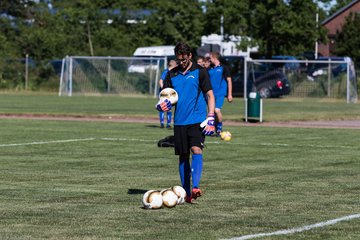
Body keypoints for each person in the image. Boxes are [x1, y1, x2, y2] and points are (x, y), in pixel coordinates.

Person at [156, 42, 216, 203]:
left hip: (196, 120)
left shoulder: (200, 72)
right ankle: (187, 193)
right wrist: (161, 106)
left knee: (196, 150)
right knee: (183, 156)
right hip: (180, 122)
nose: (180, 63)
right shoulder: (172, 74)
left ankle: (195, 186)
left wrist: (210, 117)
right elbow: (165, 97)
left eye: (183, 60)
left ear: (190, 56)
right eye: (178, 60)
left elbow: (210, 95)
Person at [208, 52, 233, 135]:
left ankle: (219, 127)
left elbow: (229, 81)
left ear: (214, 57)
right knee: (212, 112)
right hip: (211, 94)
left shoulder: (224, 68)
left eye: (210, 57)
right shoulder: (210, 68)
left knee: (216, 110)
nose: (209, 59)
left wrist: (229, 94)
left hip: (220, 93)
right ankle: (214, 129)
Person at [158, 60, 177, 128]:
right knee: (163, 108)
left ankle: (168, 124)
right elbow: (160, 81)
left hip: (169, 93)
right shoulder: (166, 72)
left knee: (168, 108)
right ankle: (162, 123)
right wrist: (164, 90)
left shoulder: (173, 73)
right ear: (173, 66)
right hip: (165, 93)